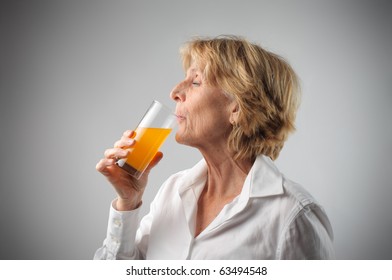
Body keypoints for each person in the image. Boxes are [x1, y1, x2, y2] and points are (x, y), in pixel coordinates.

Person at [94, 35, 334, 259]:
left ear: (237, 108)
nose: (175, 92)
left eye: (196, 81)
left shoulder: (294, 216)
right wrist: (128, 202)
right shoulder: (172, 192)